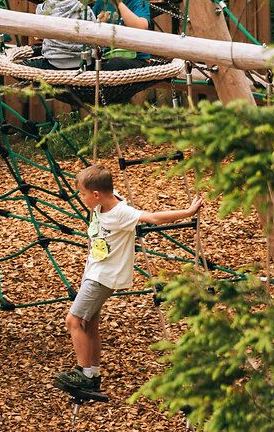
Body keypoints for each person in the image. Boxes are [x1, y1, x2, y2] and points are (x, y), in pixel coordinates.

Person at [56, 165, 203, 403]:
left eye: (83, 194)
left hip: (102, 277)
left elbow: (152, 217)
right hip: (95, 272)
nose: (81, 199)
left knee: (73, 321)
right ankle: (93, 374)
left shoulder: (120, 212)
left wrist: (188, 213)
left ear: (95, 194)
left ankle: (82, 373)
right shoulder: (102, 205)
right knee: (90, 322)